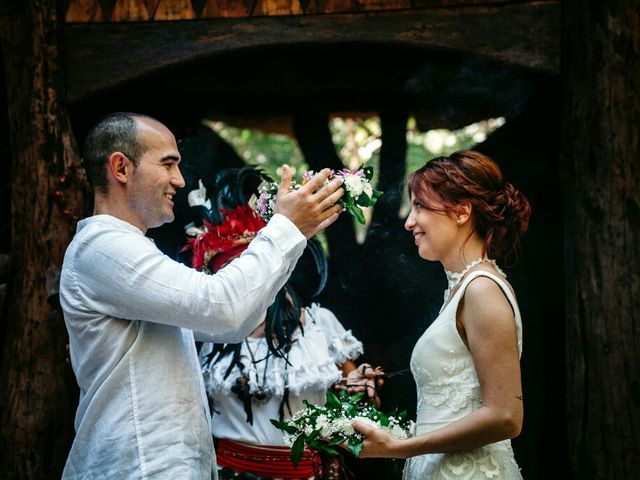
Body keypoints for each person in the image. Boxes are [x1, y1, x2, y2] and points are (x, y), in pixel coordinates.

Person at [59, 112, 344, 479]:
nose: (179, 180)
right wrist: (286, 228)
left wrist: (294, 236)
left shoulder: (131, 249)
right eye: (168, 164)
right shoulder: (104, 247)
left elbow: (233, 325)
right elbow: (221, 307)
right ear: (121, 168)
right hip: (139, 468)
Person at [180, 167, 377, 480]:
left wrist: (363, 389)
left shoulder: (319, 325)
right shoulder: (206, 332)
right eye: (227, 270)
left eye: (244, 267)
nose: (239, 280)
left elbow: (359, 404)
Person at [352, 150, 531, 479]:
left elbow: (506, 415)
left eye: (419, 206)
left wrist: (399, 447)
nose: (409, 221)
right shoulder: (458, 289)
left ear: (462, 212)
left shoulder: (482, 290)